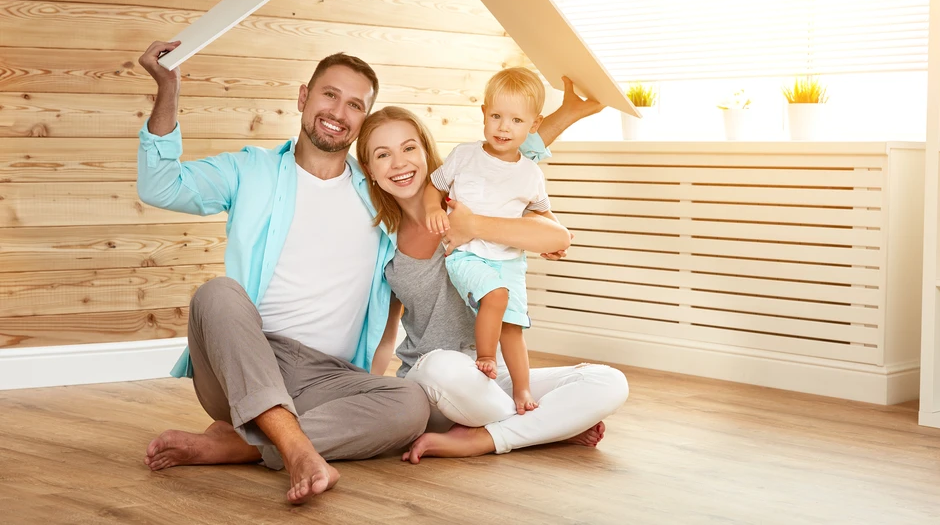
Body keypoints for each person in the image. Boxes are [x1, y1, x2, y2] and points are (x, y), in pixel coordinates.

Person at [133, 40, 609, 503]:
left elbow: (503, 161)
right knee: (216, 294)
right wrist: (168, 88)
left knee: (409, 404)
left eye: (354, 105)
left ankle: (244, 444)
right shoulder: (251, 171)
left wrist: (520, 220)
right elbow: (161, 185)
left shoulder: (384, 195)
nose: (339, 112)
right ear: (304, 97)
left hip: (333, 381)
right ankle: (294, 448)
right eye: (329, 95)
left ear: (363, 124)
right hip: (248, 362)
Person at [357, 105, 630, 463]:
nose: (399, 163)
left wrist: (472, 226)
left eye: (408, 148)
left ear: (426, 151)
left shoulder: (473, 198)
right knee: (444, 366)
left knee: (608, 383)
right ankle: (546, 428)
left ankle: (484, 437)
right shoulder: (382, 241)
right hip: (435, 383)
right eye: (383, 155)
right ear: (370, 171)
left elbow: (557, 237)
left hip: (495, 375)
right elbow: (385, 334)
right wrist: (367, 392)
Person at [424, 67, 553, 415]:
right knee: (495, 296)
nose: (503, 127)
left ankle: (522, 391)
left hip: (510, 260)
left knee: (513, 328)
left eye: (515, 120)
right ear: (483, 113)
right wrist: (432, 209)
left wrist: (553, 240)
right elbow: (434, 186)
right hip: (467, 255)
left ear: (534, 125)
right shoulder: (464, 156)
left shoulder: (531, 173)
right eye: (496, 116)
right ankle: (485, 357)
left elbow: (543, 214)